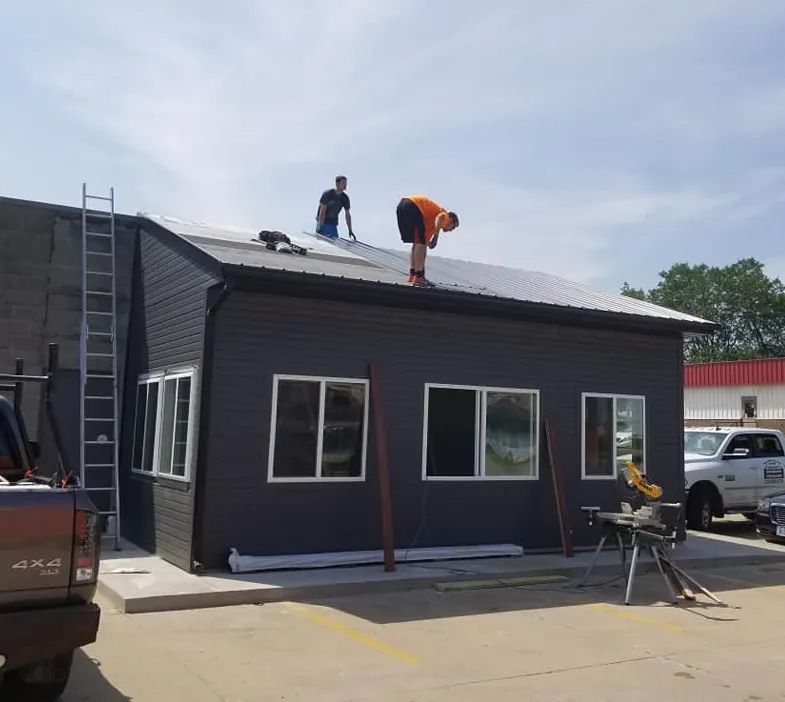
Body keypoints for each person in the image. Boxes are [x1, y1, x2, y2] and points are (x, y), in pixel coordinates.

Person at [396, 194, 459, 286]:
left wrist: (428, 242)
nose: (450, 230)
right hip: (414, 206)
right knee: (420, 245)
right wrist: (436, 237)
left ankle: (413, 274)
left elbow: (423, 244)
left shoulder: (430, 224)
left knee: (417, 243)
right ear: (451, 220)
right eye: (453, 227)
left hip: (403, 206)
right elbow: (439, 218)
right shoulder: (445, 215)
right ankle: (419, 277)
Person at [316, 175, 355, 240]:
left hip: (333, 224)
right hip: (323, 222)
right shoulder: (328, 194)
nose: (345, 185)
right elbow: (322, 211)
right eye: (343, 183)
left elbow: (347, 214)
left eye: (346, 183)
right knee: (323, 241)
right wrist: (320, 226)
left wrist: (350, 230)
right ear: (337, 184)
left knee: (334, 242)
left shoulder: (344, 198)